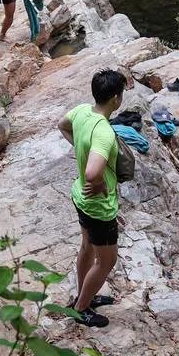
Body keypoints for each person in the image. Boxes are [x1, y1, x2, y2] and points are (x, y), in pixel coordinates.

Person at [57, 68, 129, 329]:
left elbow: (62, 125)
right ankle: (82, 308)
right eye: (121, 94)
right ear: (114, 99)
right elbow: (92, 172)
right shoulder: (104, 132)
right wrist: (98, 183)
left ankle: (83, 294)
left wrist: (80, 149)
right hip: (98, 207)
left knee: (87, 247)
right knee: (107, 260)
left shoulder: (81, 111)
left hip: (80, 198)